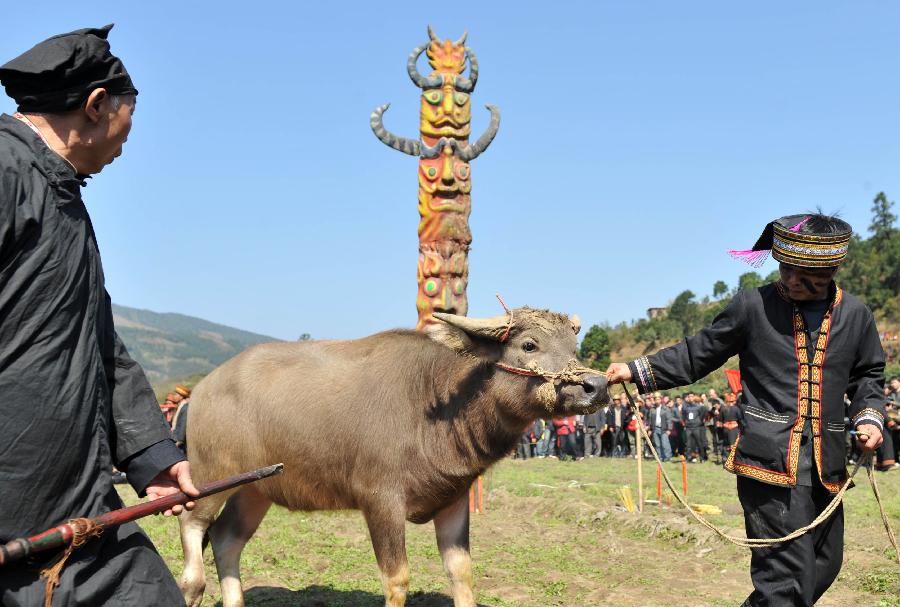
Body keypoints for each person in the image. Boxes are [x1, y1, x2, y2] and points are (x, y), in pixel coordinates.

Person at [0, 25, 198, 606]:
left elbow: (100, 344)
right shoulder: (6, 174)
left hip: (76, 509)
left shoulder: (65, 201)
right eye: (127, 119)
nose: (126, 140)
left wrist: (152, 456)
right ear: (95, 106)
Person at [607, 213, 885, 607]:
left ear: (830, 268)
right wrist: (635, 370)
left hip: (827, 466)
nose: (788, 279)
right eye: (783, 267)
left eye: (801, 272)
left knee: (824, 564)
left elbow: (868, 376)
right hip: (768, 464)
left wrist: (869, 415)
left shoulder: (856, 315)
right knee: (787, 579)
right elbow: (697, 353)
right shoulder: (752, 306)